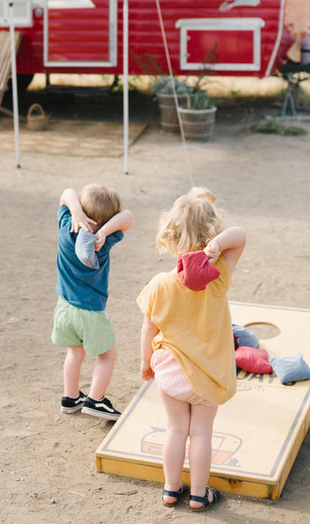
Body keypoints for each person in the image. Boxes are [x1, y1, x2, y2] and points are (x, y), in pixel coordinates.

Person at [137, 188, 246, 512]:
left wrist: (146, 363)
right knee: (201, 434)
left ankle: (171, 490)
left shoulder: (160, 283)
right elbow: (240, 236)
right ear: (213, 232)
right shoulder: (219, 275)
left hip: (170, 369)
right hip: (208, 374)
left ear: (170, 235)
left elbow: (148, 329)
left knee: (175, 429)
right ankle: (198, 495)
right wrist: (217, 247)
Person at [51, 184, 132, 420]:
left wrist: (76, 212)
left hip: (64, 306)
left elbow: (66, 193)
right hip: (90, 312)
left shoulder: (67, 225)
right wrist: (104, 230)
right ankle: (95, 400)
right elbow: (128, 217)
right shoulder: (101, 242)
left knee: (74, 353)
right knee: (107, 355)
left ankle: (70, 398)